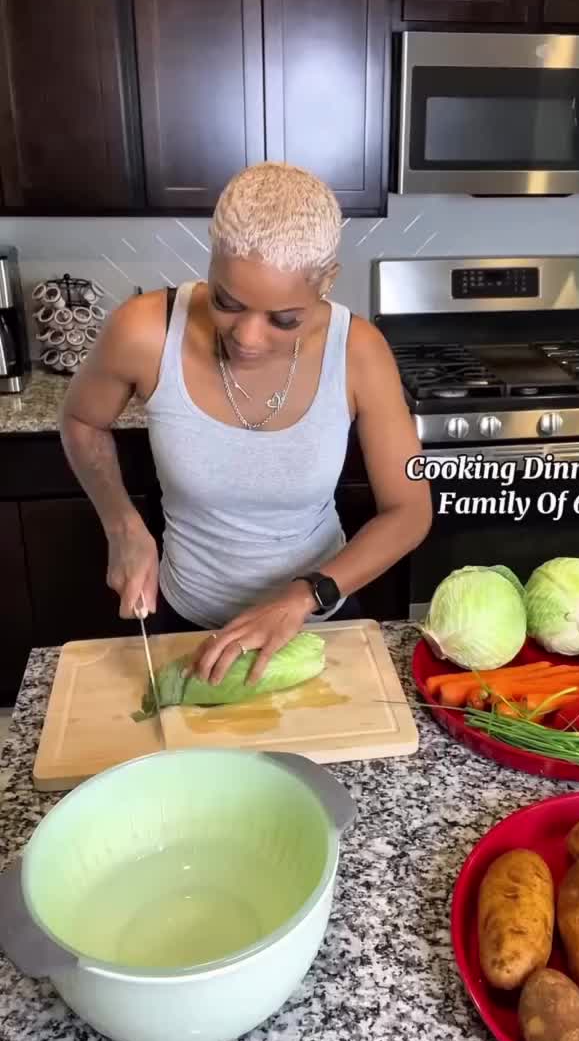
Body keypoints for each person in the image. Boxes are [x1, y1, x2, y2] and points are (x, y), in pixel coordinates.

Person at [60, 162, 432, 686]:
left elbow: (411, 510)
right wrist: (121, 525)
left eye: (284, 319)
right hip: (184, 623)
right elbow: (80, 420)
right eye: (227, 303)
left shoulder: (360, 352)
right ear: (211, 262)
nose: (249, 339)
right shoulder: (145, 330)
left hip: (315, 626)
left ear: (326, 284)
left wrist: (305, 595)